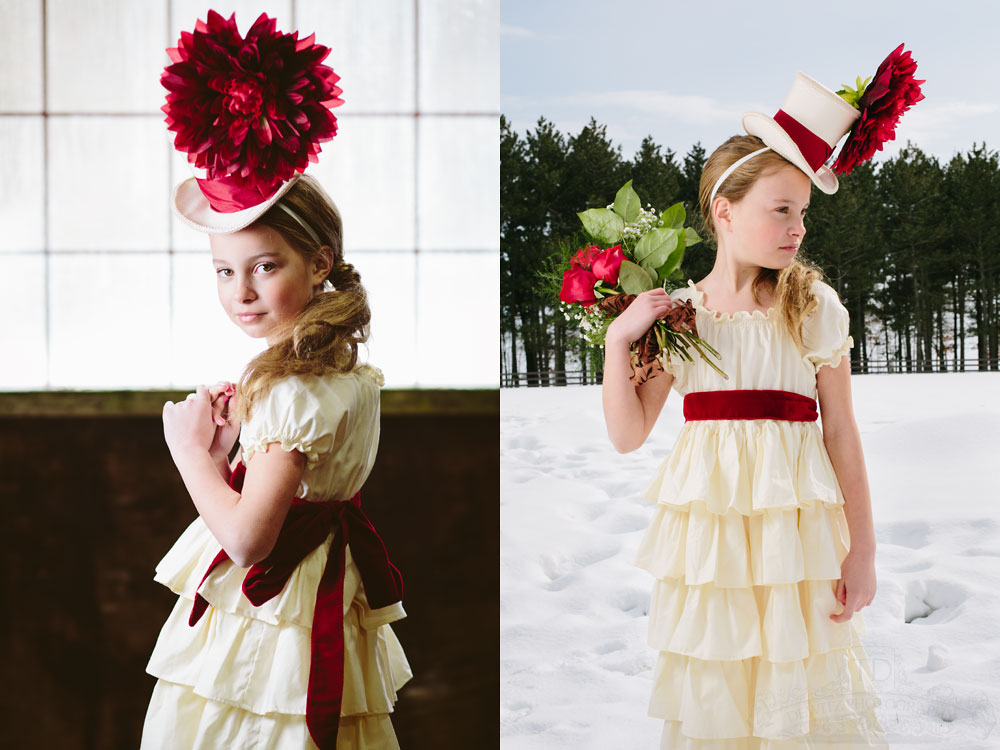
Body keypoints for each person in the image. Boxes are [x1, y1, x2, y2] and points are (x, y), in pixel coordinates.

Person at [141, 12, 411, 750]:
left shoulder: (292, 389)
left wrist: (192, 453)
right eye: (224, 271)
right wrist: (241, 445)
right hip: (319, 588)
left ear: (319, 262)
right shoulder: (343, 370)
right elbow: (302, 479)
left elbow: (252, 541)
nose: (242, 293)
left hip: (279, 616)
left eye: (266, 266)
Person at [603, 73, 890, 748]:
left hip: (796, 540)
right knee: (721, 682)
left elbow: (842, 432)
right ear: (725, 211)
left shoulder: (812, 308)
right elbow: (626, 433)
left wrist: (863, 549)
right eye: (781, 210)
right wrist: (621, 342)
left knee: (798, 676)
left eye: (802, 214)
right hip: (714, 547)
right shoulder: (680, 317)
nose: (797, 228)